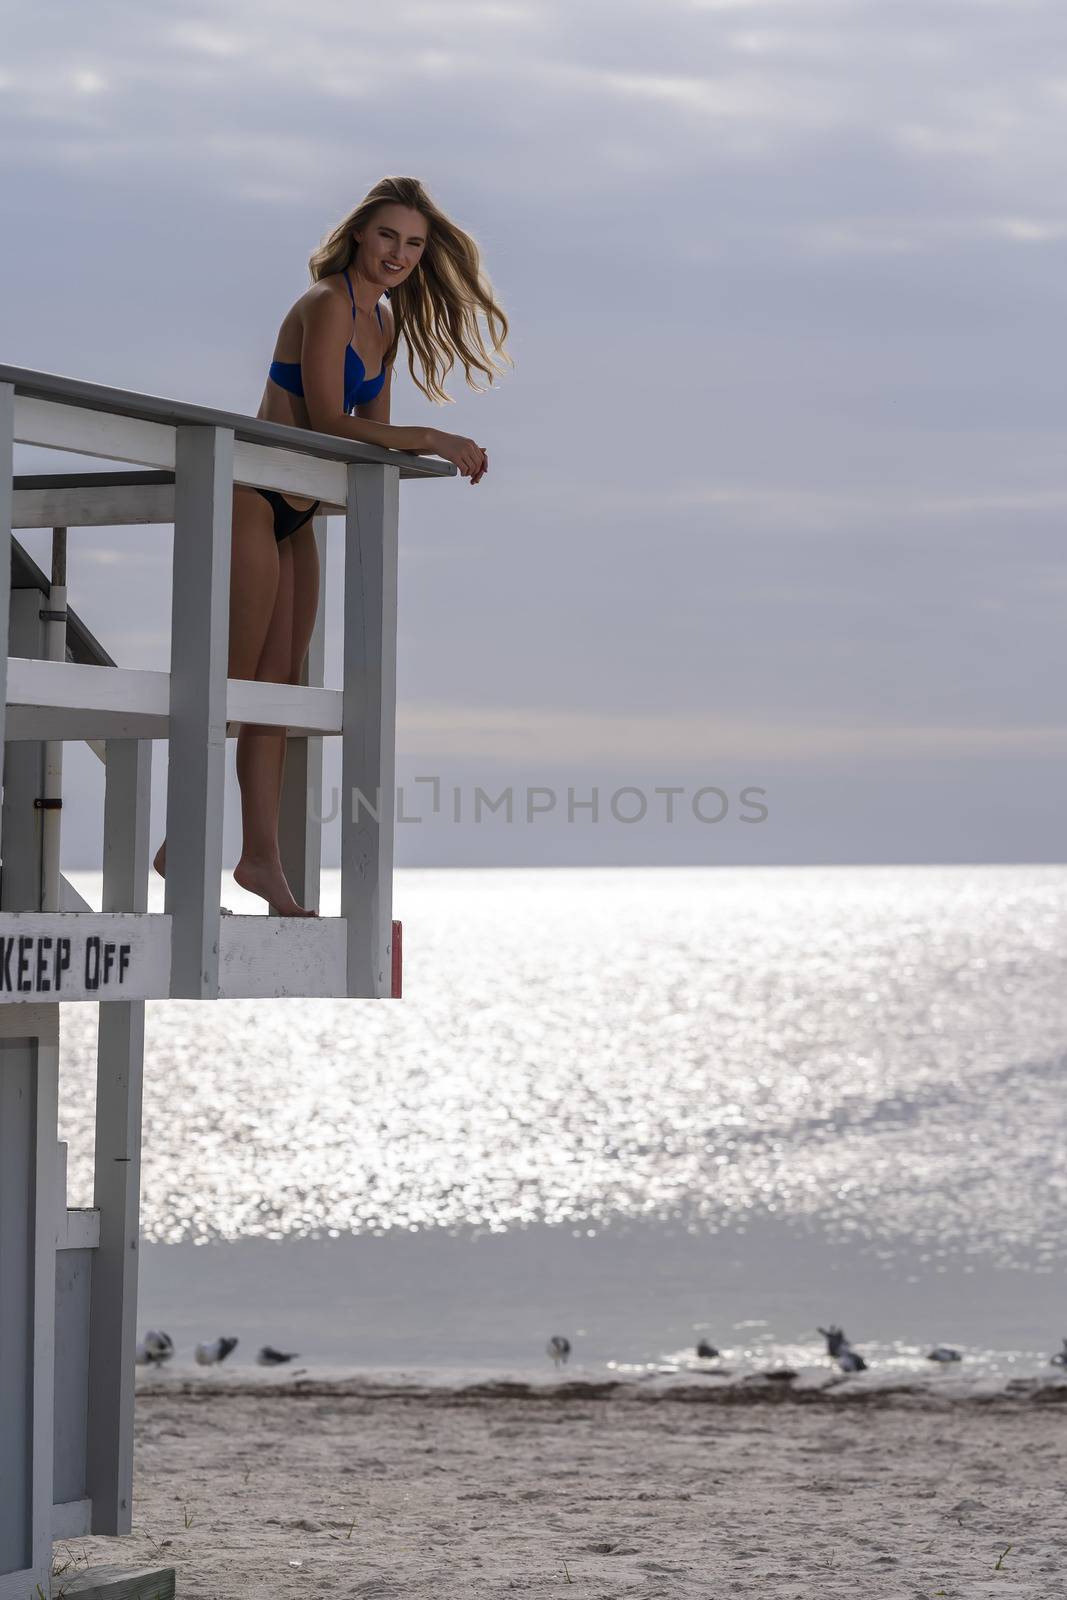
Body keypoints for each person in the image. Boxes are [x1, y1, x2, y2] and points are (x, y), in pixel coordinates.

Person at [154, 175, 510, 914]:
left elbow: (368, 437)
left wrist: (414, 446)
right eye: (387, 236)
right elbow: (326, 419)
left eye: (413, 244)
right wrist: (434, 437)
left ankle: (259, 861)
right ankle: (180, 843)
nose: (398, 254)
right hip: (253, 494)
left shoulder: (384, 321)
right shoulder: (324, 304)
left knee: (278, 694)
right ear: (357, 235)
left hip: (302, 508)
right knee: (232, 681)